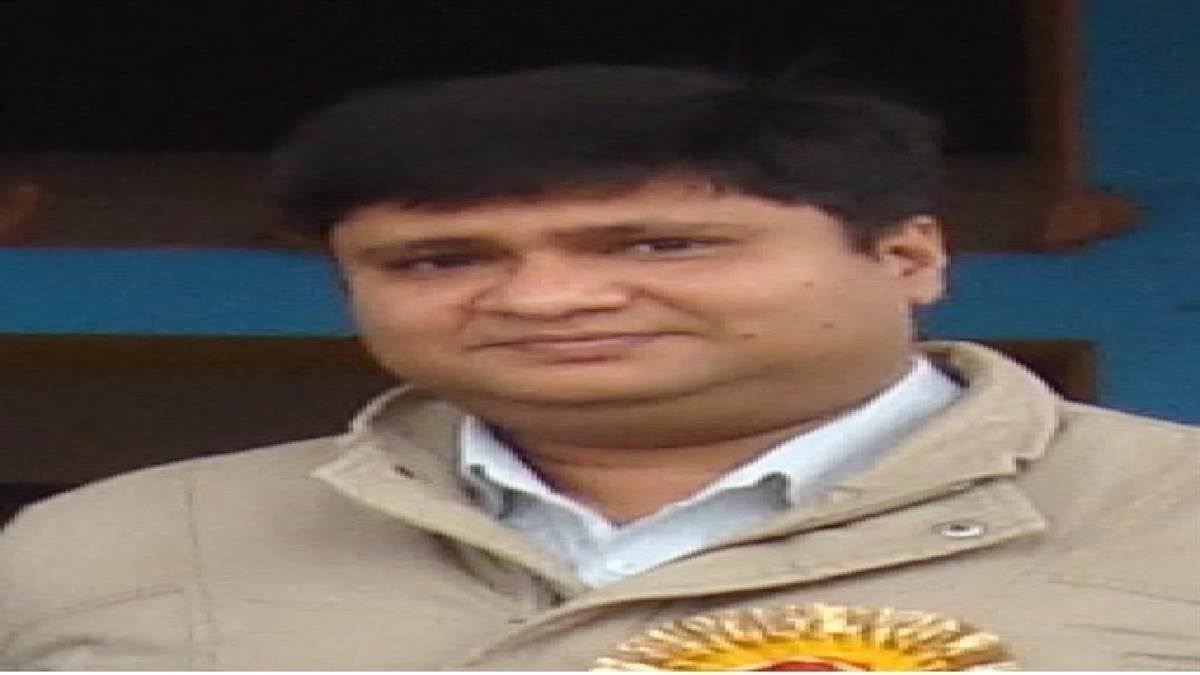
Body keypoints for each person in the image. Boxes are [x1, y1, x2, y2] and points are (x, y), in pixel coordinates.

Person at [1, 65, 1197, 671]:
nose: (547, 298)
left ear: (908, 255)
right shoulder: (113, 547)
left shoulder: (1167, 522)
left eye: (659, 245)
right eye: (441, 259)